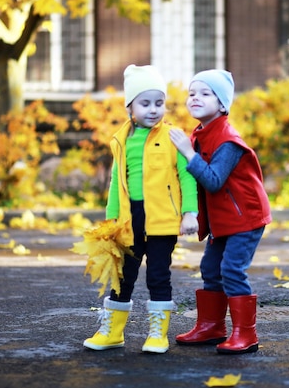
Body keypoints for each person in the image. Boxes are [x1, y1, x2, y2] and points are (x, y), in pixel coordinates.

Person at [83, 64, 199, 354]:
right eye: (145, 103)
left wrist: (190, 213)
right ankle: (113, 332)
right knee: (122, 276)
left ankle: (157, 333)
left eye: (159, 103)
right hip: (128, 220)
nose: (153, 109)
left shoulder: (172, 136)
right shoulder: (122, 140)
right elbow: (115, 182)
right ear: (130, 106)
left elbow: (186, 176)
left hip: (162, 220)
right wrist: (111, 221)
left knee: (158, 275)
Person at [169, 69, 272, 354]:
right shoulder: (200, 134)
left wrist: (188, 154)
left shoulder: (227, 140)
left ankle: (246, 334)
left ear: (222, 104)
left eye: (205, 93)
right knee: (210, 269)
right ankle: (211, 326)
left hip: (245, 217)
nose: (195, 98)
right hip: (223, 219)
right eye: (192, 93)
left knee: (231, 269)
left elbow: (213, 181)